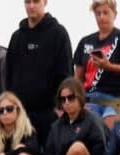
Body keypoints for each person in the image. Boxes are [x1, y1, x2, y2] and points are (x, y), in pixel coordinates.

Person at [32, 78, 109, 155]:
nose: (67, 102)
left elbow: (102, 153)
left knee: (77, 148)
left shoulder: (93, 122)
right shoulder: (56, 126)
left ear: (80, 97)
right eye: (63, 99)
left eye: (71, 97)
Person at [7, 0, 74, 136]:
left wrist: (60, 107)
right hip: (21, 116)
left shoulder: (58, 33)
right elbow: (9, 76)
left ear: (45, 2)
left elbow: (66, 74)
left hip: (50, 114)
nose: (31, 6)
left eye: (36, 1)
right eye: (27, 2)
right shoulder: (17, 37)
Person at [75, 1, 120, 121]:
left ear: (114, 14)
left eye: (105, 12)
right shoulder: (85, 41)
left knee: (110, 126)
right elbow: (77, 77)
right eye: (98, 13)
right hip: (90, 100)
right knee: (91, 130)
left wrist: (108, 66)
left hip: (115, 99)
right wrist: (76, 100)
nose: (101, 17)